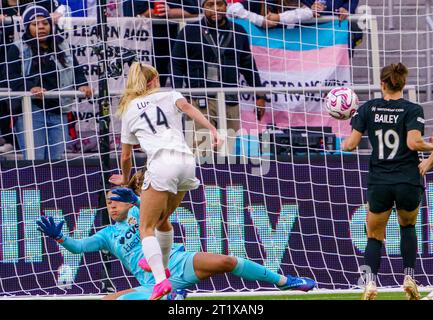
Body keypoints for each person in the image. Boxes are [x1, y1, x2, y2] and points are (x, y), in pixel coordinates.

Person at [36, 183, 316, 300]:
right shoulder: (107, 235)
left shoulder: (139, 211)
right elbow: (78, 248)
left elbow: (156, 208)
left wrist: (136, 199)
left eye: (116, 200)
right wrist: (60, 237)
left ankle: (286, 281)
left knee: (227, 261)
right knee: (112, 299)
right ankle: (172, 295)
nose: (112, 205)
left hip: (178, 262)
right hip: (153, 281)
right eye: (108, 202)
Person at [113, 62, 221, 299]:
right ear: (153, 81)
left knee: (145, 227)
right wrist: (212, 129)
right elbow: (189, 109)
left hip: (162, 163)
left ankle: (161, 280)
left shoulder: (130, 109)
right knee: (162, 220)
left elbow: (126, 156)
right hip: (186, 162)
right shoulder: (171, 94)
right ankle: (160, 265)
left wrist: (125, 179)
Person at [341, 63, 433, 300]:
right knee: (408, 227)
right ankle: (409, 277)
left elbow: (349, 145)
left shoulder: (368, 108)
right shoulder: (413, 109)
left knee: (374, 235)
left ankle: (371, 283)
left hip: (380, 181)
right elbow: (414, 144)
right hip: (408, 180)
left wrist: (348, 122)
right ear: (403, 84)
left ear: (382, 83)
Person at [171, 0, 266, 156]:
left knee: (226, 153)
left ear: (226, 6)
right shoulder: (190, 31)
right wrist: (178, 95)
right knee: (201, 154)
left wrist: (260, 95)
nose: (215, 9)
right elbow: (176, 65)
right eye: (210, 4)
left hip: (230, 100)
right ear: (202, 7)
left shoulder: (238, 31)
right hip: (199, 100)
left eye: (219, 4)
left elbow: (248, 66)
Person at [6, 5, 92, 160]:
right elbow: (11, 77)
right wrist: (31, 88)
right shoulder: (17, 48)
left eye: (45, 23)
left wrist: (82, 84)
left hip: (59, 110)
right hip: (31, 111)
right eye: (35, 24)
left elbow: (77, 69)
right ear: (27, 27)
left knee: (56, 163)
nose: (41, 27)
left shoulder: (62, 44)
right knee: (35, 161)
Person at [123, 0, 200, 87]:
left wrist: (170, 12)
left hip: (171, 41)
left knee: (166, 79)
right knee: (140, 81)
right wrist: (161, 13)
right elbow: (136, 10)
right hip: (140, 41)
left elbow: (194, 12)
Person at [227, 0, 315, 29]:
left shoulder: (289, 1)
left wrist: (279, 17)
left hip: (288, 48)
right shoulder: (258, 2)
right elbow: (232, 10)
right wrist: (261, 21)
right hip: (264, 50)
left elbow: (308, 12)